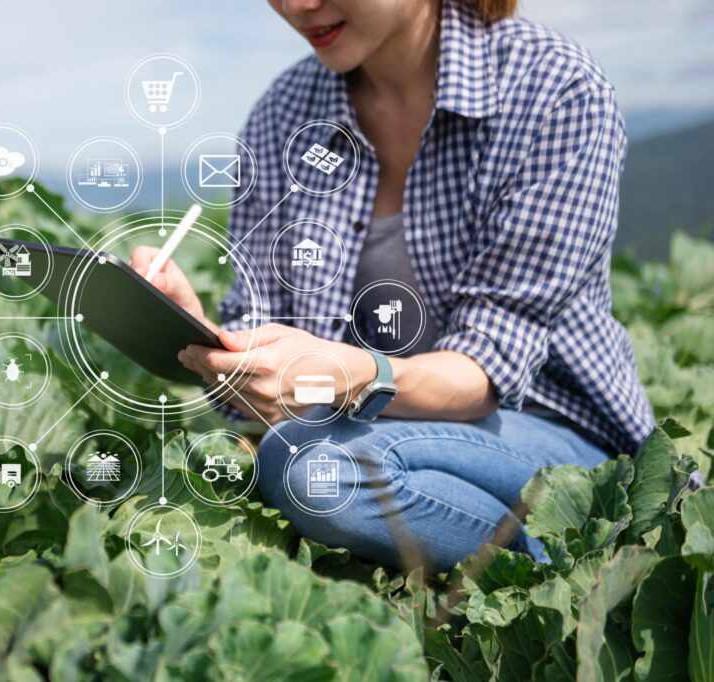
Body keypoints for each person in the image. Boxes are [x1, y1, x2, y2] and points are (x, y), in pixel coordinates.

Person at [130, 0, 654, 572]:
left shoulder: (553, 88)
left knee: (314, 466)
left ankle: (579, 554)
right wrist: (203, 333)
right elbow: (274, 376)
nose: (299, 6)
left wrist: (352, 375)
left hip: (551, 430)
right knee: (306, 455)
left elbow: (487, 373)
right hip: (371, 431)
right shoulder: (283, 113)